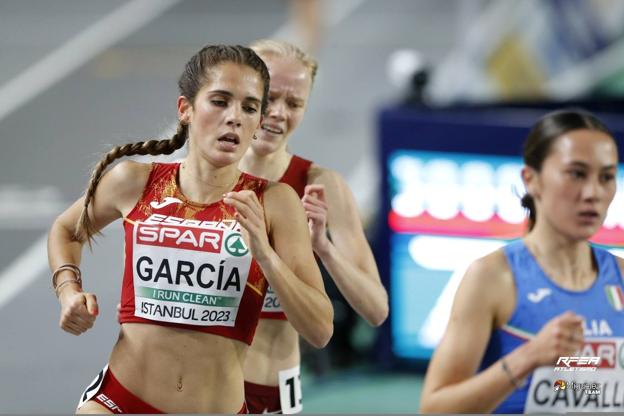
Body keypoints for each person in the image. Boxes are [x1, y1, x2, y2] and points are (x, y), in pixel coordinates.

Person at [47, 44, 333, 414]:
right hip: (120, 401)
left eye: (249, 108)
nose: (234, 118)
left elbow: (320, 329)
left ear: (258, 122)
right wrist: (69, 291)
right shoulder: (134, 181)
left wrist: (265, 253)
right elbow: (67, 229)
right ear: (186, 109)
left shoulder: (274, 202)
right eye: (220, 101)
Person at [419, 109, 624, 414]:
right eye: (576, 174)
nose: (593, 193)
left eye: (606, 177)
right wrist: (528, 357)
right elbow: (434, 409)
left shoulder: (619, 276)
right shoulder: (492, 277)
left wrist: (571, 369)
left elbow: (578, 384)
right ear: (532, 179)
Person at [239, 39, 389, 414]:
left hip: (269, 394)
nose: (277, 113)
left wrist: (324, 249)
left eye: (294, 104)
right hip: (194, 390)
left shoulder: (321, 186)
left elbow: (376, 309)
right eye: (269, 97)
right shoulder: (199, 178)